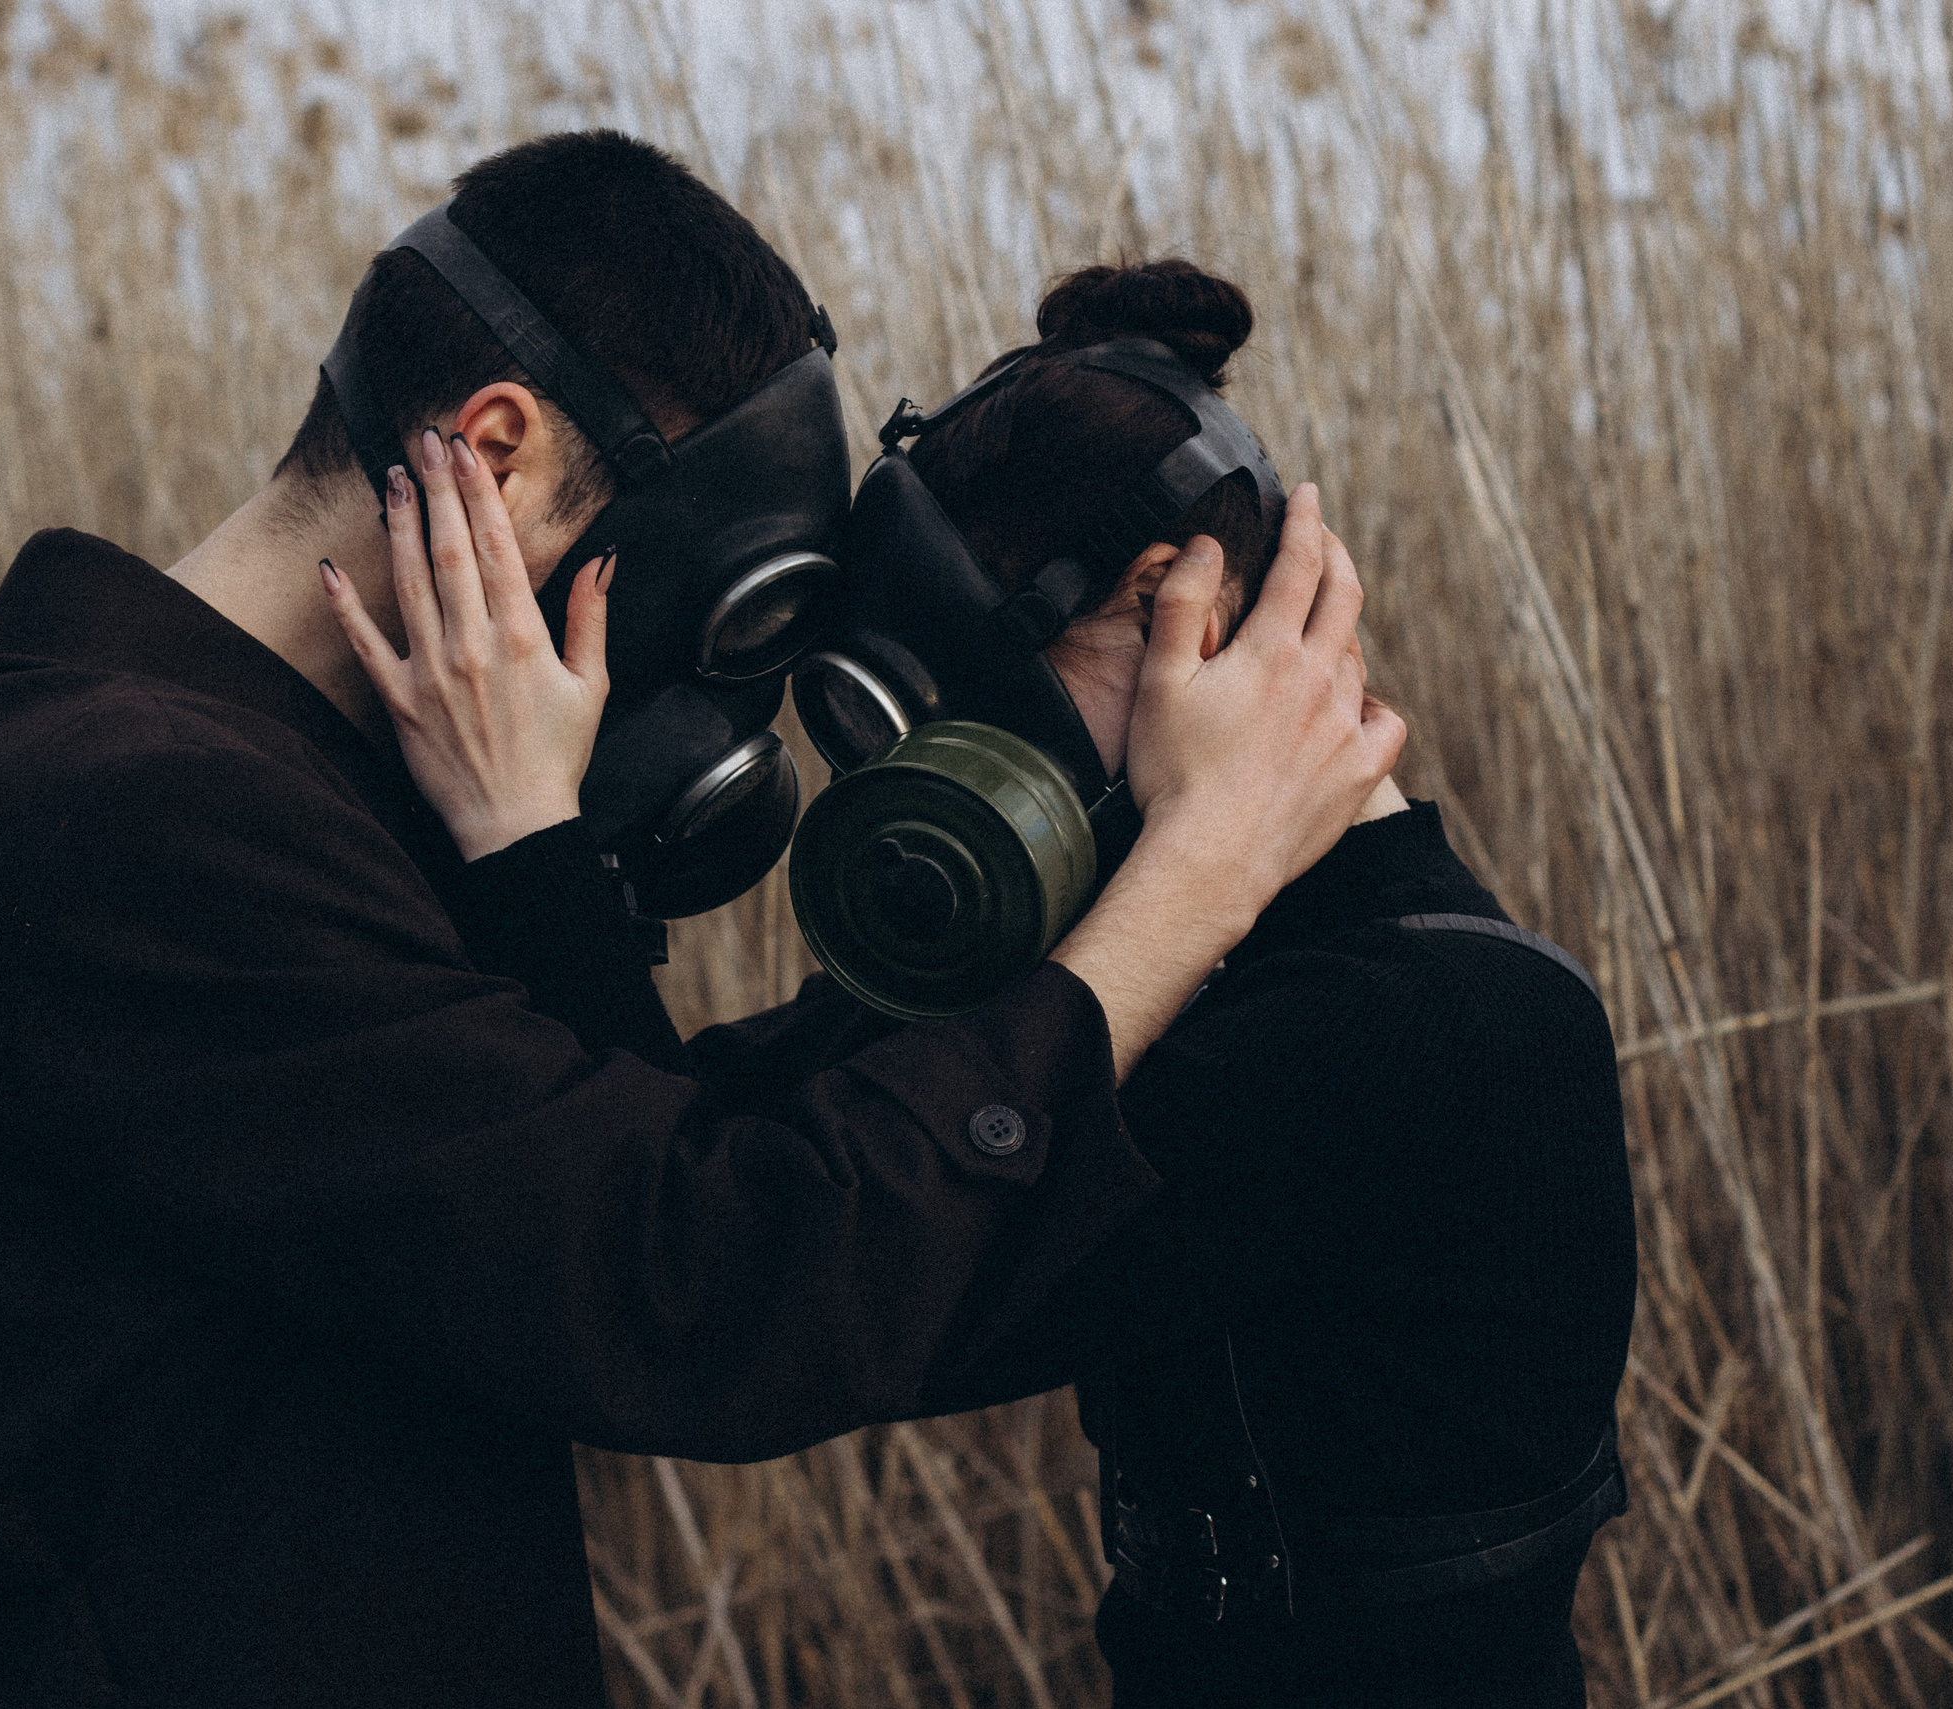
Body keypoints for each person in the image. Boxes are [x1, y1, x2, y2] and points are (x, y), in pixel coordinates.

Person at [0, 133, 1401, 1708]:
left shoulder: (258, 787)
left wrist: (543, 853)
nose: (691, 694)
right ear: (490, 451)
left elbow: (626, 1142)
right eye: (719, 595)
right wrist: (1197, 879)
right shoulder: (132, 819)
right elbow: (697, 1278)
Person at [347, 257, 1635, 1707]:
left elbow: (751, 1307)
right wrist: (536, 824)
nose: (948, 778)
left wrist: (529, 845)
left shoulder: (1418, 1029)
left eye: (976, 707)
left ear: (1173, 606)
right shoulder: (1157, 944)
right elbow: (687, 1144)